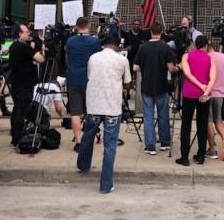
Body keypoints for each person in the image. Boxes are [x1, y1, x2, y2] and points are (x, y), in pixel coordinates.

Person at [77, 35, 132, 194]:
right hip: (112, 107)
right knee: (110, 145)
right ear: (117, 45)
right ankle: (106, 184)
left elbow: (90, 77)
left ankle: (83, 164)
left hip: (94, 104)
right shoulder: (121, 60)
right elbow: (127, 83)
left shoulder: (93, 57)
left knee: (88, 135)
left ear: (105, 44)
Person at [133, 22, 178, 155]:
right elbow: (171, 68)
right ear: (162, 32)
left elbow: (135, 67)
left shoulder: (143, 47)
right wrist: (178, 68)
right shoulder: (165, 47)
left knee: (148, 116)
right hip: (162, 86)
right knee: (163, 115)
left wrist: (145, 67)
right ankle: (164, 143)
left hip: (146, 86)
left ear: (150, 32)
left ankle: (150, 146)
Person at [176, 35, 216, 166]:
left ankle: (184, 157)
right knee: (202, 124)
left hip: (189, 93)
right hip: (204, 94)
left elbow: (187, 74)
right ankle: (200, 155)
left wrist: (199, 85)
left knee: (186, 125)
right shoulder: (210, 58)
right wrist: (205, 90)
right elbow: (212, 78)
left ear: (195, 44)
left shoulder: (187, 56)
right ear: (206, 45)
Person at [65, 17, 103, 152]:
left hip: (73, 78)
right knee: (91, 110)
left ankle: (79, 141)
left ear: (76, 26)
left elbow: (67, 57)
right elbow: (98, 59)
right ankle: (89, 138)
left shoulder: (70, 41)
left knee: (75, 112)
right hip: (89, 79)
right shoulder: (94, 41)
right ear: (88, 25)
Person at [8, 24, 45, 146]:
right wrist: (38, 49)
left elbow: (29, 60)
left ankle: (15, 134)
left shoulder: (14, 46)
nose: (29, 33)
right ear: (19, 33)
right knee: (21, 111)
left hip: (17, 83)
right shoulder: (23, 47)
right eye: (26, 31)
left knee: (17, 109)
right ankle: (17, 138)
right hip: (24, 84)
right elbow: (41, 59)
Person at [205, 43, 224, 161]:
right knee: (218, 119)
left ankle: (212, 149)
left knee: (209, 121)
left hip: (207, 93)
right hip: (220, 94)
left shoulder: (206, 58)